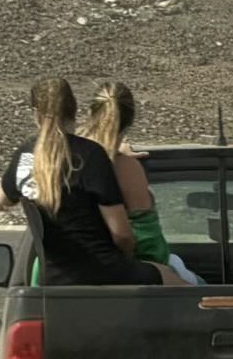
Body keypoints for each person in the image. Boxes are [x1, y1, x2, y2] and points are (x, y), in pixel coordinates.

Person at [0, 77, 178, 285]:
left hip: (51, 279)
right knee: (187, 289)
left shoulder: (25, 156)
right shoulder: (90, 155)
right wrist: (128, 258)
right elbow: (122, 235)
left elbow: (2, 200)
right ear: (74, 108)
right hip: (104, 271)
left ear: (35, 113)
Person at [80, 81, 205, 285]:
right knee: (202, 290)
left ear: (90, 113)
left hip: (73, 269)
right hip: (133, 272)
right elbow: (146, 238)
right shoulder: (126, 169)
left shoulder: (66, 160)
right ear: (130, 120)